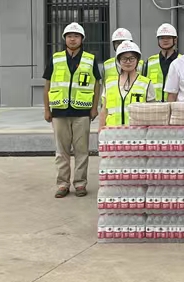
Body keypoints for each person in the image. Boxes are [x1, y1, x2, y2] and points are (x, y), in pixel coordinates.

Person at [43, 22, 101, 199]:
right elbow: (47, 85)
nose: (73, 39)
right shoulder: (56, 58)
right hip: (59, 112)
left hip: (82, 112)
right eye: (69, 36)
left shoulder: (90, 59)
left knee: (82, 151)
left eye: (76, 36)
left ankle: (80, 183)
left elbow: (97, 84)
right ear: (65, 39)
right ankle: (62, 184)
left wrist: (94, 108)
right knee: (61, 151)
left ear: (82, 39)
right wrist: (47, 109)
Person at [98, 41, 154, 130]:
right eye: (124, 59)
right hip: (111, 132)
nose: (128, 62)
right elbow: (104, 110)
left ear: (137, 60)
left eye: (132, 58)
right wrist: (101, 129)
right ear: (119, 61)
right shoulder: (109, 82)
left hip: (137, 133)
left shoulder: (146, 83)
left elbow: (151, 112)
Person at [144, 23, 180, 102]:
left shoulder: (182, 61)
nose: (165, 40)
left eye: (168, 37)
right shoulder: (151, 61)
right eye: (162, 38)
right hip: (154, 106)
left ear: (175, 40)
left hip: (175, 105)